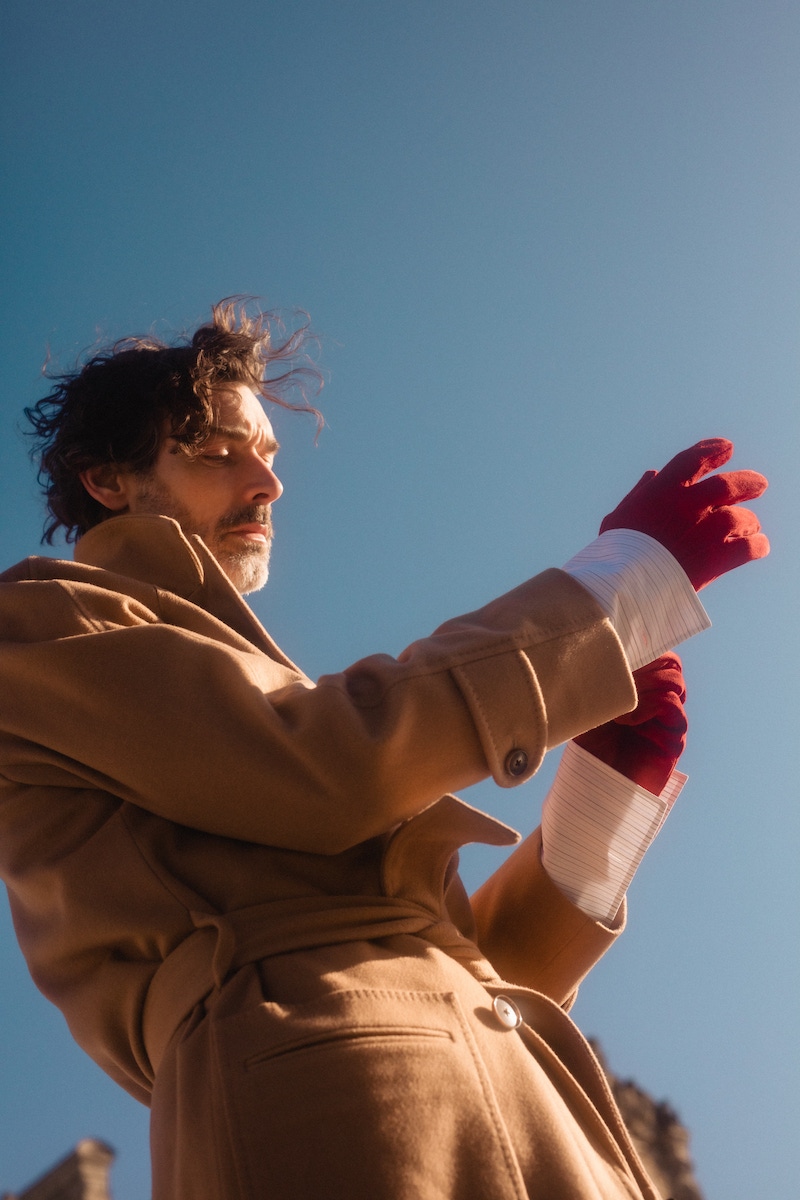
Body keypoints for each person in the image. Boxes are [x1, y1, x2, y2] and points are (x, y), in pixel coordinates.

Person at [0, 300, 769, 1200]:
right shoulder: (39, 622)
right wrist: (616, 586)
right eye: (216, 451)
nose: (266, 482)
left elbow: (457, 970)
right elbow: (326, 770)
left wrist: (605, 794)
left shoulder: (220, 671)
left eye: (270, 455)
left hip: (528, 1114)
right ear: (106, 481)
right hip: (330, 1096)